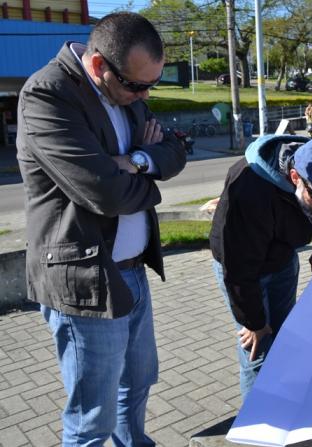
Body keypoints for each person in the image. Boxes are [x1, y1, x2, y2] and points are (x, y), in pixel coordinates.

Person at [16, 12, 186, 446]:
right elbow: (103, 194)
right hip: (85, 277)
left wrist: (138, 161)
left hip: (131, 270)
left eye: (153, 84)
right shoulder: (47, 95)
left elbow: (174, 151)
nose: (145, 94)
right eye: (136, 85)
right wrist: (146, 179)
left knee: (139, 381)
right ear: (97, 66)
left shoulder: (127, 91)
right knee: (93, 416)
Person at [209, 136, 312, 399]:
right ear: (295, 176)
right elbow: (238, 269)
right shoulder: (249, 187)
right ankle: (260, 428)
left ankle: (284, 403)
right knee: (258, 352)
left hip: (283, 259)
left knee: (284, 341)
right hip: (243, 271)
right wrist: (254, 322)